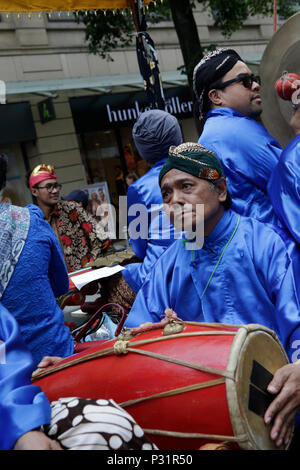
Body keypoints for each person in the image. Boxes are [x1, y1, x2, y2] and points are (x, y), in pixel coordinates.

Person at [124, 142, 300, 365]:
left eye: (186, 186)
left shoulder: (266, 243)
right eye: (166, 194)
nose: (174, 201)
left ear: (221, 190)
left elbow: (296, 323)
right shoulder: (166, 265)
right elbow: (137, 335)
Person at [0, 302, 157, 450]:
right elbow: (60, 285)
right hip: (49, 360)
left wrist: (21, 425)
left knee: (103, 424)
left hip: (24, 386)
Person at [193, 48, 282, 227]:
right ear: (216, 96)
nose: (256, 85)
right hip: (275, 245)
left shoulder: (209, 136)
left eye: (254, 79)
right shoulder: (237, 131)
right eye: (245, 81)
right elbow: (292, 180)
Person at [0, 155, 74, 365]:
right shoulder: (32, 219)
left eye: (55, 186)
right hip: (54, 353)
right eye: (47, 186)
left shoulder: (69, 210)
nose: (54, 191)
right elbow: (60, 285)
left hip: (9, 372)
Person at [27, 164, 108, 272]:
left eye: (56, 186)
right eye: (49, 187)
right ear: (34, 191)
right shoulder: (30, 221)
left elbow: (102, 237)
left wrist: (90, 265)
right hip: (55, 286)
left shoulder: (71, 209)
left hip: (84, 281)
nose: (55, 190)